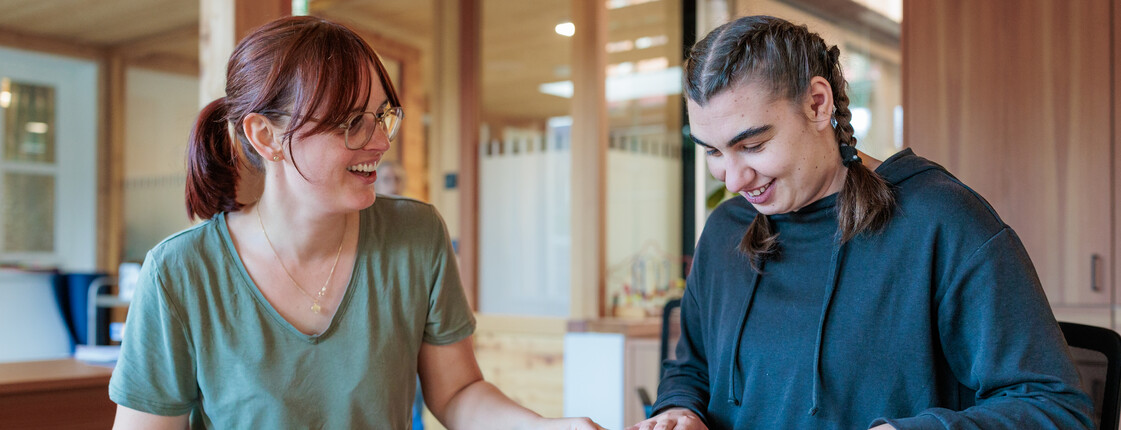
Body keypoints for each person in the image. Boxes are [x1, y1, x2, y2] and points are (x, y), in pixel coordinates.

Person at [108, 16, 604, 430]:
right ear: (266, 136)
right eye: (351, 122)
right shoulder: (178, 274)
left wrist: (548, 427)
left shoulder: (416, 236)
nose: (381, 143)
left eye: (382, 115)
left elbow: (458, 392)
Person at [628, 15, 1093, 430]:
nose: (732, 179)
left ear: (817, 104)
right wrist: (678, 410)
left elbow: (1056, 409)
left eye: (752, 146)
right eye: (712, 151)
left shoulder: (940, 220)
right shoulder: (727, 229)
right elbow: (692, 369)